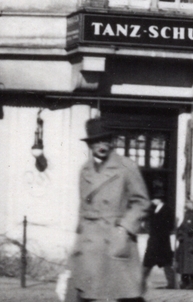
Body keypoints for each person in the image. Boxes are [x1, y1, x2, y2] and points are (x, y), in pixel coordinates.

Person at [70, 117, 150, 302]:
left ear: (111, 141)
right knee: (88, 294)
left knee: (126, 293)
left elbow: (142, 201)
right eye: (96, 141)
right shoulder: (85, 170)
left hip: (116, 236)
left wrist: (125, 228)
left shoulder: (126, 166)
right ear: (90, 144)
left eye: (105, 139)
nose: (101, 145)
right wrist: (78, 243)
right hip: (90, 239)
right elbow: (83, 207)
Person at [144, 189, 178, 290]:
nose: (152, 201)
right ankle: (139, 281)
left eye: (154, 199)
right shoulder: (154, 209)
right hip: (154, 240)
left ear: (159, 200)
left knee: (166, 263)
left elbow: (170, 225)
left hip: (162, 240)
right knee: (147, 262)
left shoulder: (167, 210)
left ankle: (171, 283)